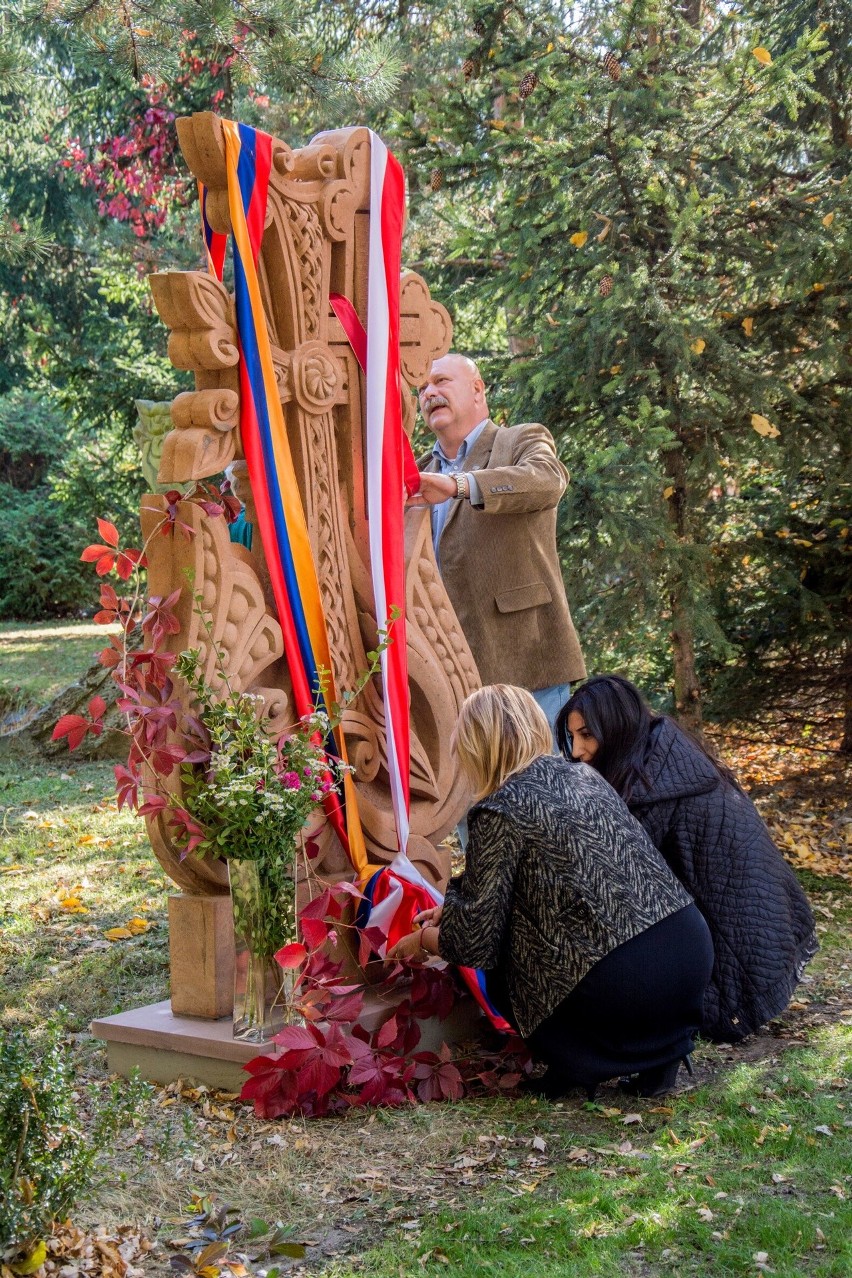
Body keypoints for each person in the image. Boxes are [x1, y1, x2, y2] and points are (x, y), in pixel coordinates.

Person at [387, 685, 714, 1099]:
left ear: (476, 747)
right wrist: (452, 912)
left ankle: (577, 1065)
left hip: (625, 981)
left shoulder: (499, 808)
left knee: (505, 957)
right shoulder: (583, 776)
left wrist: (420, 941)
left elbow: (473, 942)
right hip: (687, 953)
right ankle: (659, 1056)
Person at [555, 675, 818, 1043]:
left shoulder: (651, 789)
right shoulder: (664, 756)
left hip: (743, 975)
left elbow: (615, 890)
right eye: (573, 738)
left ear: (616, 728)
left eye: (587, 735)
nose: (579, 751)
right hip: (775, 943)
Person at [408, 353, 585, 731]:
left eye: (440, 381)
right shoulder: (417, 471)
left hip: (527, 660)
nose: (429, 393)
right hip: (448, 672)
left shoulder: (519, 439)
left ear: (477, 389)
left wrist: (460, 484)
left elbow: (547, 479)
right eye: (422, 387)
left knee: (542, 786)